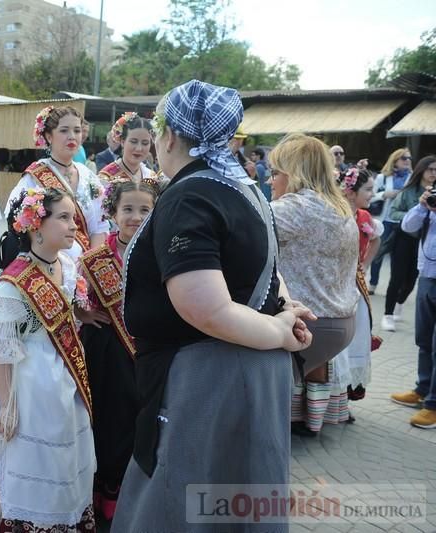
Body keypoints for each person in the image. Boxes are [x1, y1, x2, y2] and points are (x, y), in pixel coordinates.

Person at [111, 80, 313, 532]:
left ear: (169, 136)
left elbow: (207, 309)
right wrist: (279, 316)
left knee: (180, 503)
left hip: (206, 380)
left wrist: (280, 329)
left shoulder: (191, 194)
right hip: (243, 366)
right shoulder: (244, 188)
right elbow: (267, 271)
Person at [0, 187, 96, 532]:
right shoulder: (14, 283)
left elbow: (65, 315)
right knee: (33, 456)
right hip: (28, 378)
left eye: (74, 217)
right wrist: (8, 403)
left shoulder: (67, 266)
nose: (75, 226)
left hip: (63, 373)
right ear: (34, 226)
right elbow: (0, 346)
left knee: (65, 452)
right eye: (64, 218)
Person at [76, 178, 158, 522]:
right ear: (112, 212)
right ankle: (107, 495)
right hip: (108, 351)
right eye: (127, 209)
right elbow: (75, 292)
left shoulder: (160, 253)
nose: (135, 217)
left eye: (144, 210)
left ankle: (137, 492)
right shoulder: (93, 259)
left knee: (144, 418)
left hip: (150, 350)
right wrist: (82, 310)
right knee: (111, 420)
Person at [270, 133, 359, 437]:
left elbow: (238, 232)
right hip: (343, 323)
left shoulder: (293, 207)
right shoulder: (340, 205)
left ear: (293, 173)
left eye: (275, 172)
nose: (270, 181)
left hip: (310, 323)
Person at [6, 105, 107, 261]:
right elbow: (17, 220)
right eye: (64, 130)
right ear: (48, 136)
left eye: (77, 131)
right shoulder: (35, 177)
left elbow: (100, 225)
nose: (72, 136)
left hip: (86, 265)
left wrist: (90, 263)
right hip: (47, 265)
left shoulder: (88, 176)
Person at [331, 168, 383, 410]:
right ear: (351, 192)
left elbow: (376, 238)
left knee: (356, 340)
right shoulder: (333, 214)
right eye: (368, 189)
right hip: (334, 288)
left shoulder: (364, 217)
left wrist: (364, 264)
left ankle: (343, 400)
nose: (373, 194)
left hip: (356, 288)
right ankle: (326, 401)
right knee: (336, 345)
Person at [391, 157, 436, 429]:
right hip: (428, 275)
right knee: (424, 338)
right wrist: (423, 207)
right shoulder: (428, 199)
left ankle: (433, 404)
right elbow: (408, 227)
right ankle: (423, 389)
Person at [378, 155, 435, 331]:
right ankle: (388, 314)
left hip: (426, 243)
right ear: (422, 170)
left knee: (411, 281)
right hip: (404, 238)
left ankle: (399, 303)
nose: (433, 173)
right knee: (397, 278)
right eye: (430, 169)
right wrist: (415, 215)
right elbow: (393, 213)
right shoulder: (408, 191)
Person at [369, 148, 413, 294]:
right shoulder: (383, 177)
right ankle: (373, 284)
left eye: (409, 158)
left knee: (398, 257)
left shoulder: (412, 178)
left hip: (402, 222)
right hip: (385, 220)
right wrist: (384, 194)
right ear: (395, 160)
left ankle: (393, 287)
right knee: (378, 254)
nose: (407, 161)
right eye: (404, 158)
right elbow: (370, 195)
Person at [98, 113, 156, 183]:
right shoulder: (106, 176)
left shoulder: (151, 176)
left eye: (145, 143)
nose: (139, 148)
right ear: (122, 142)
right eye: (134, 142)